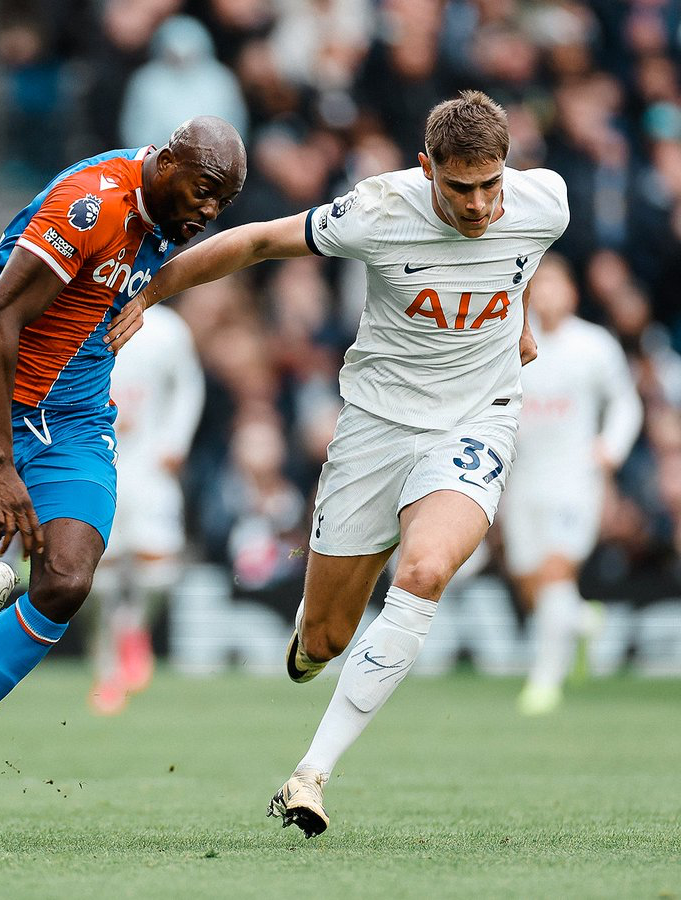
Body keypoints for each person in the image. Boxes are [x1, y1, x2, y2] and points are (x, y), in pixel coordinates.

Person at [106, 90, 569, 837]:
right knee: (325, 637)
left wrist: (517, 322)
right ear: (426, 171)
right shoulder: (380, 211)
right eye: (459, 188)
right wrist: (155, 288)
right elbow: (257, 242)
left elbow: (520, 259)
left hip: (477, 422)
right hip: (376, 431)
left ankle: (309, 775)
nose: (481, 204)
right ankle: (312, 640)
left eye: (492, 184)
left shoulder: (546, 201)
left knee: (423, 573)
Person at [0, 116, 246, 733]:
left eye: (223, 202)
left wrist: (147, 296)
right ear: (166, 162)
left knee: (66, 577)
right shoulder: (90, 207)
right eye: (204, 191)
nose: (209, 211)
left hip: (76, 417)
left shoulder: (170, 213)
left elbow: (216, 253)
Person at [500, 254, 643, 716]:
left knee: (555, 573)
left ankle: (544, 681)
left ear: (572, 292)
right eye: (540, 286)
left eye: (556, 284)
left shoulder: (594, 345)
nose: (547, 294)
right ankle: (583, 622)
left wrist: (610, 448)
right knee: (530, 583)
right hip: (522, 479)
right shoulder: (511, 344)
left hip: (574, 480)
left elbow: (625, 402)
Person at [89, 304, 205, 715]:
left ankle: (132, 628)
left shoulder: (166, 327)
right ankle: (107, 671)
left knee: (158, 566)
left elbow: (189, 384)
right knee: (99, 571)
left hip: (149, 462)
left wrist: (175, 442)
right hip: (96, 459)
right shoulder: (81, 315)